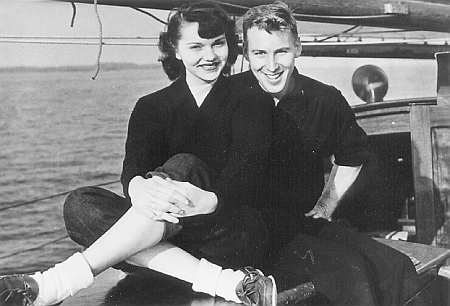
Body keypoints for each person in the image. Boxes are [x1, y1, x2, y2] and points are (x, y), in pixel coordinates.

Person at [0, 3, 277, 306]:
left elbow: (249, 175)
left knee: (184, 165)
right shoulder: (151, 107)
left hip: (227, 234)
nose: (209, 56)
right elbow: (133, 171)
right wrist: (138, 186)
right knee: (79, 206)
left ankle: (58, 282)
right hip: (166, 239)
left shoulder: (252, 101)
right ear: (175, 49)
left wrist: (210, 201)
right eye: (196, 46)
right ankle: (224, 282)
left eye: (218, 44)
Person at [232, 1, 421, 305]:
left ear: (298, 49)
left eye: (281, 51)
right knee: (350, 272)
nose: (271, 65)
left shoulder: (324, 99)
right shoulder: (227, 98)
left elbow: (353, 153)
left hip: (304, 223)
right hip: (248, 234)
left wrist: (327, 203)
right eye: (259, 53)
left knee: (399, 268)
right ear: (245, 54)